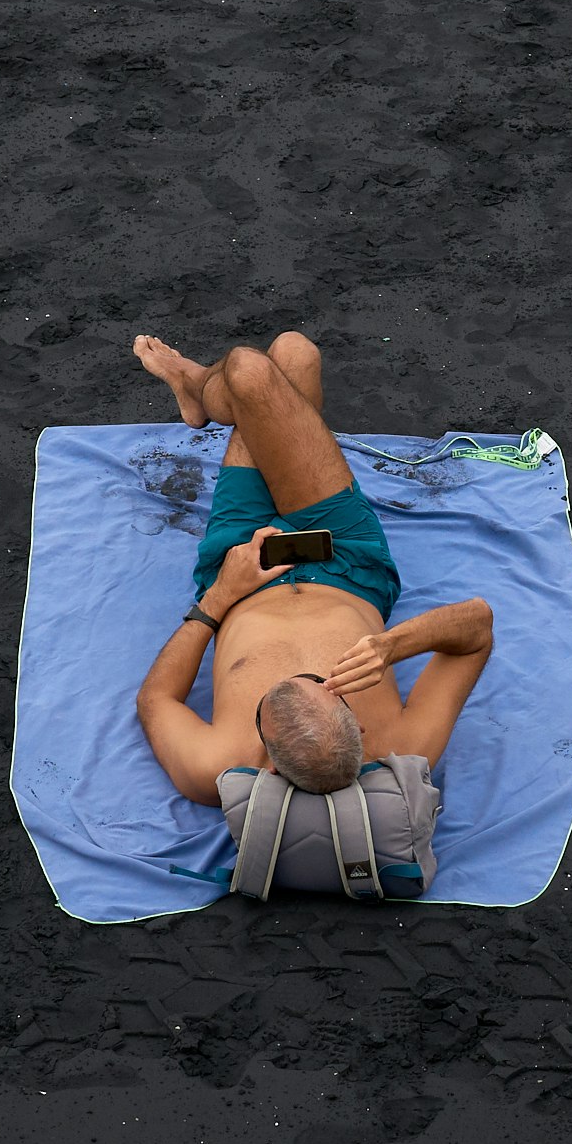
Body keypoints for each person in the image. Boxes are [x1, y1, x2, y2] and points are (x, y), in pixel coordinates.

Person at [128, 330, 495, 802]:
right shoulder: (405, 749)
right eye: (331, 688)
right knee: (294, 355)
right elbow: (478, 627)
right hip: (343, 557)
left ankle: (196, 383)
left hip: (241, 568)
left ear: (265, 746)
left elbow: (155, 699)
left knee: (252, 369)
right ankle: (201, 388)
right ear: (357, 725)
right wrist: (390, 647)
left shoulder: (214, 766)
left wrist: (221, 594)